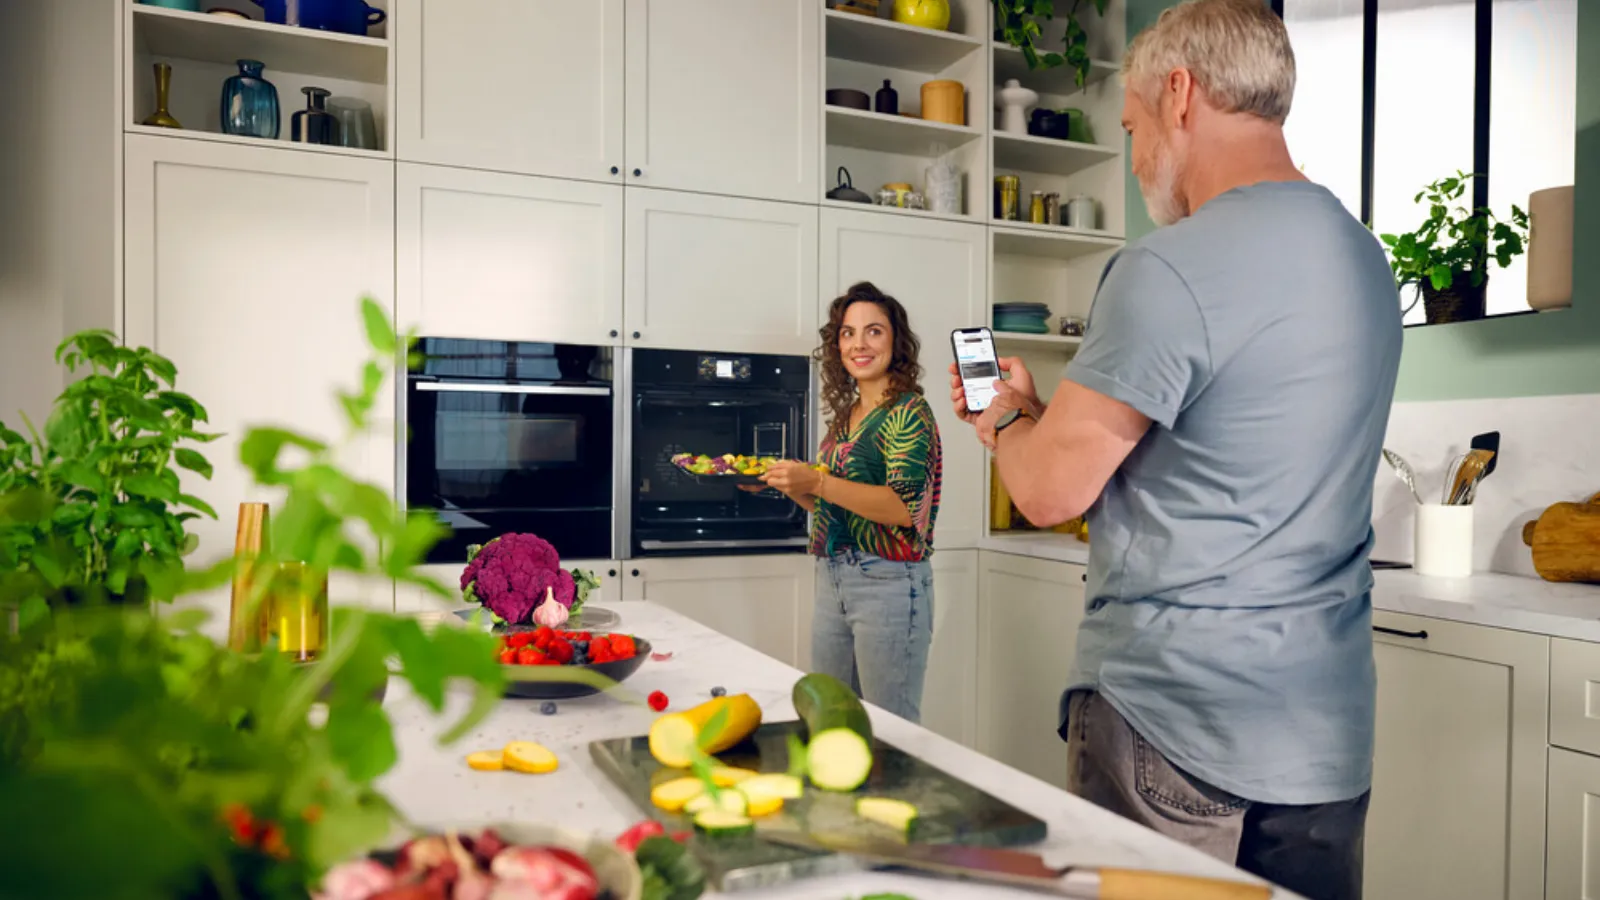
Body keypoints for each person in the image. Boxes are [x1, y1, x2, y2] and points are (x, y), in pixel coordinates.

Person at [946, 2, 1402, 898]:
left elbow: (1047, 492)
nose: (1138, 154)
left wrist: (1003, 422)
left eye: (1133, 126)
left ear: (1180, 94)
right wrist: (1051, 415)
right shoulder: (1364, 260)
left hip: (1176, 726)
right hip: (1324, 739)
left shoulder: (1168, 266)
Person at [757, 282, 942, 724]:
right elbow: (839, 509)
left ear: (896, 343)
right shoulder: (847, 417)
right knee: (828, 718)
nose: (858, 343)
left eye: (873, 331)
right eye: (847, 333)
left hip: (889, 582)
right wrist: (790, 485)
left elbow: (903, 508)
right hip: (832, 576)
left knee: (889, 728)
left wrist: (817, 483)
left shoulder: (909, 412)